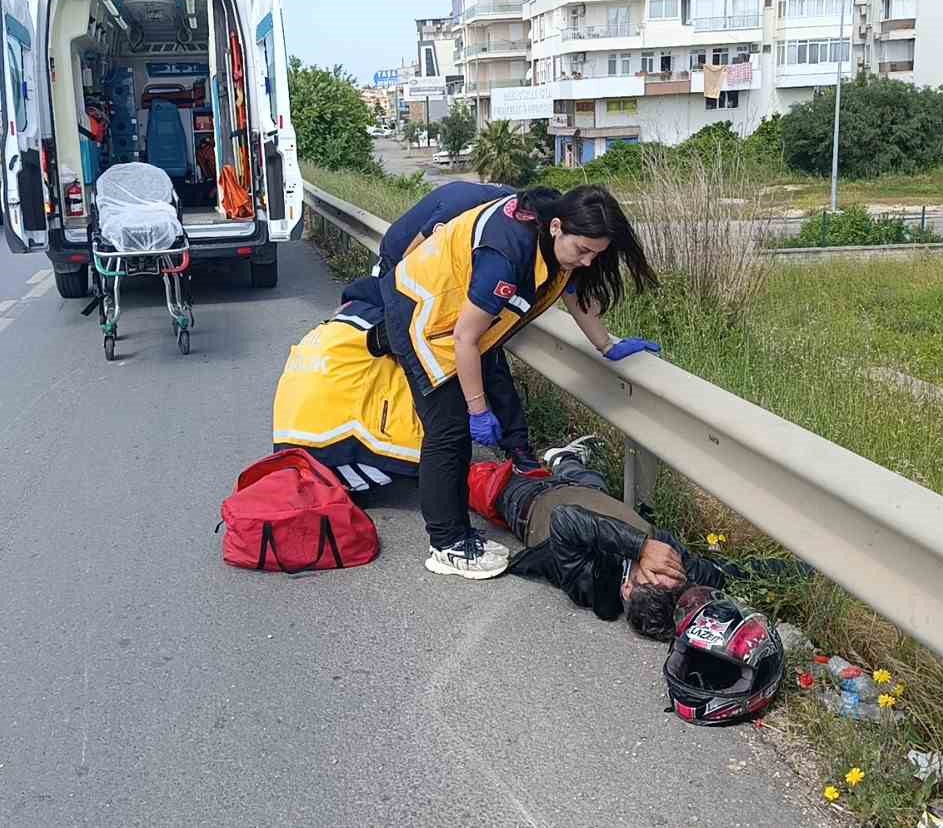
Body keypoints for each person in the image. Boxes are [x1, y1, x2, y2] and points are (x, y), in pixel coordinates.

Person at [378, 184, 658, 581]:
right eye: (583, 250)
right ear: (558, 227)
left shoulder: (557, 237)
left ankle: (456, 533)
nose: (588, 261)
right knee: (448, 431)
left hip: (457, 318)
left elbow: (570, 286)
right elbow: (465, 339)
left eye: (597, 254)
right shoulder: (507, 255)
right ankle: (447, 544)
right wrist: (478, 409)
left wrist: (606, 343)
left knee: (458, 424)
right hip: (421, 315)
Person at [468, 438, 811, 639]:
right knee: (590, 483)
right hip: (594, 497)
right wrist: (808, 573)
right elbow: (728, 573)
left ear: (628, 590)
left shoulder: (588, 584)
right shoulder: (674, 580)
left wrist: (642, 547)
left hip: (529, 500)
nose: (672, 566)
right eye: (673, 577)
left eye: (658, 574)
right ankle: (565, 458)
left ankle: (558, 462)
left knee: (463, 463)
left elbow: (566, 519)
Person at [339, 181, 541, 470]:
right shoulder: (462, 214)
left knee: (480, 348)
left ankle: (514, 442)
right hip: (403, 264)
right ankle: (400, 436)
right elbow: (412, 260)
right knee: (419, 353)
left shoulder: (514, 213)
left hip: (456, 269)